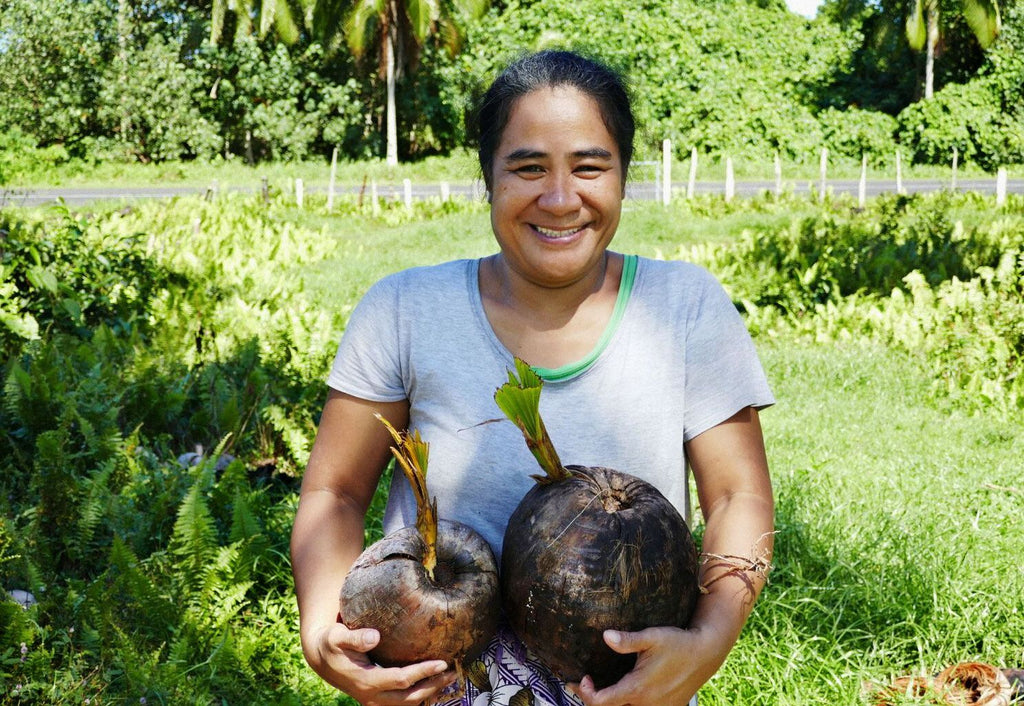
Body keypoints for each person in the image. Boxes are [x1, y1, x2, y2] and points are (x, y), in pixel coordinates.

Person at [291, 49, 775, 706]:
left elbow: (737, 497)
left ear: (624, 176)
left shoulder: (686, 307)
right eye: (527, 168)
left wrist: (708, 643)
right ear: (488, 178)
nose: (559, 197)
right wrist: (322, 630)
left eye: (588, 166)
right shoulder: (403, 310)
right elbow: (335, 493)